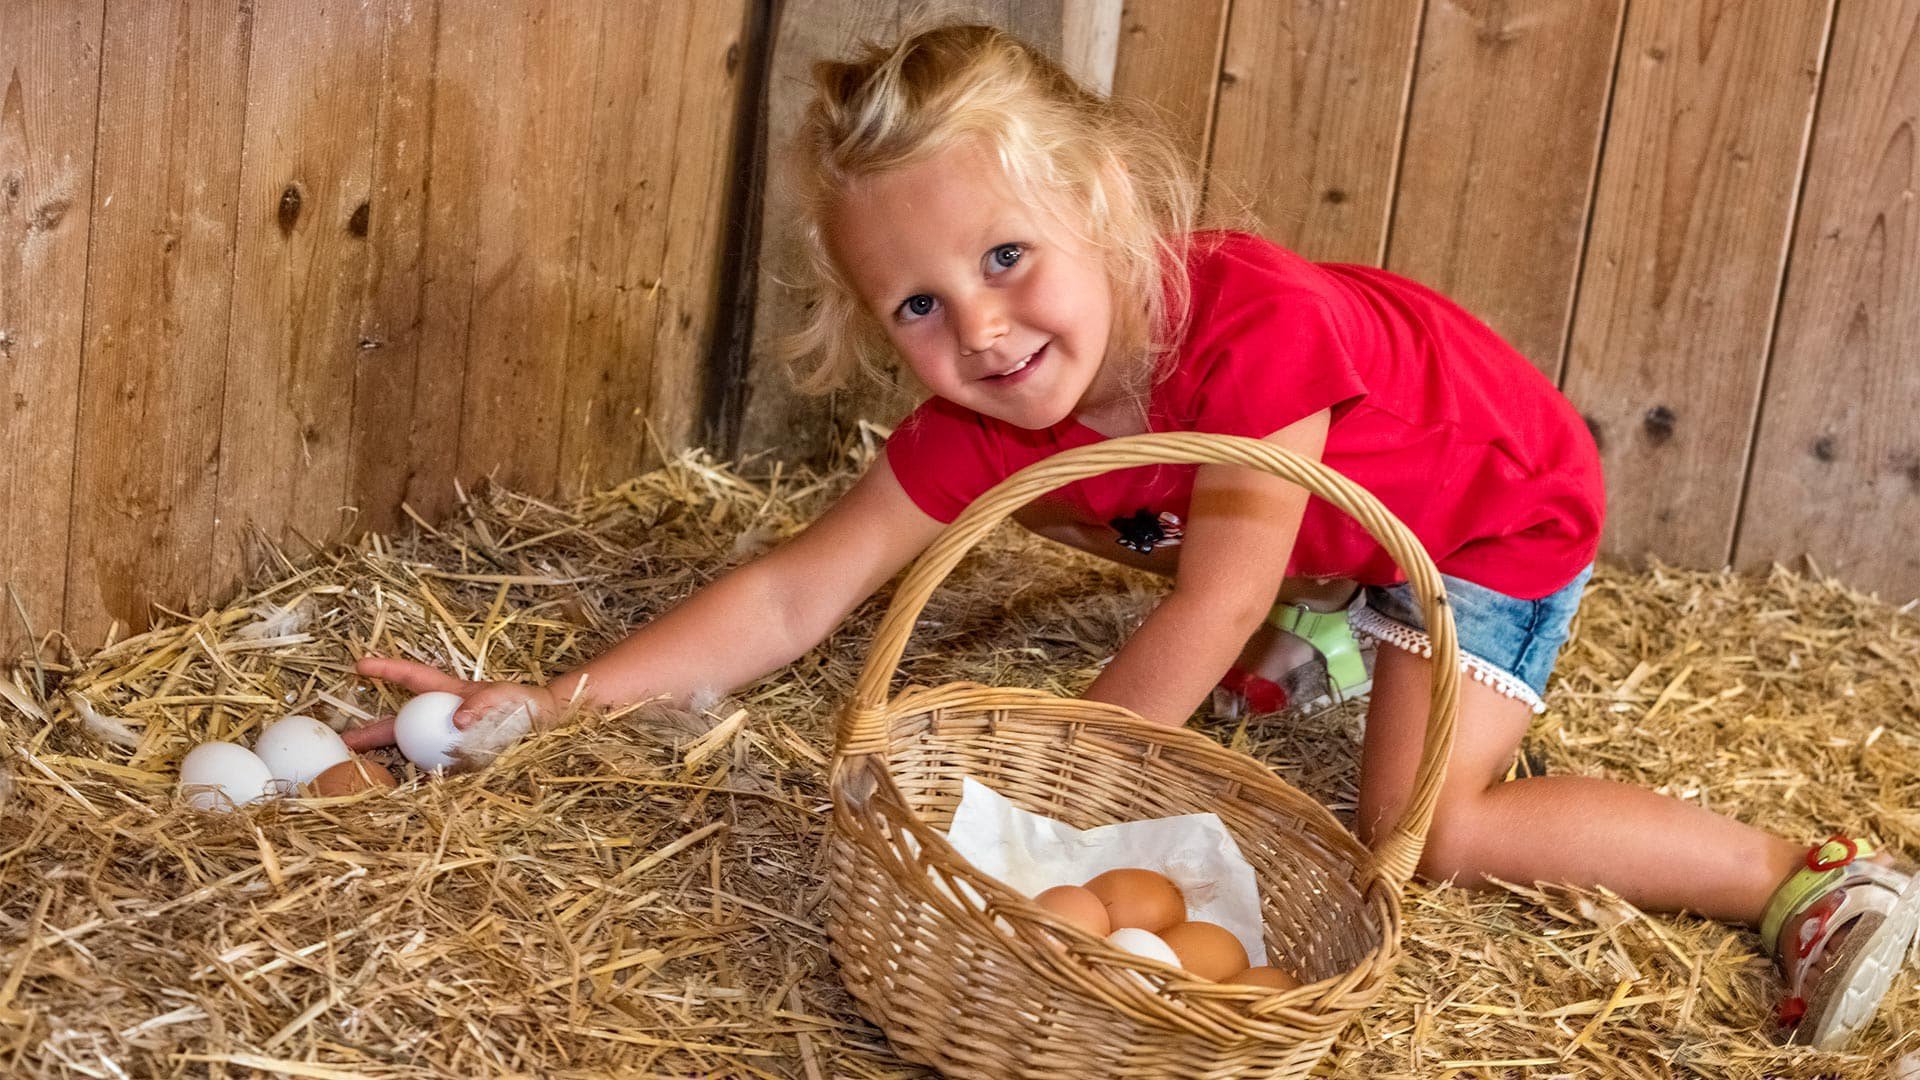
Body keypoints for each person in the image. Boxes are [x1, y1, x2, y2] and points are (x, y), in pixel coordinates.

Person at [344, 23, 1917, 1049]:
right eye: (920, 305)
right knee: (1218, 579)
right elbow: (791, 593)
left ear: (1107, 203)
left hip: (1483, 523)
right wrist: (557, 705)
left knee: (1431, 831)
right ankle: (1326, 627)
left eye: (1012, 256)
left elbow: (1210, 606)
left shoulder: (1257, 339)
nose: (984, 326)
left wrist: (1043, 839)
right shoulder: (983, 419)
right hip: (1302, 535)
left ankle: (1801, 875)